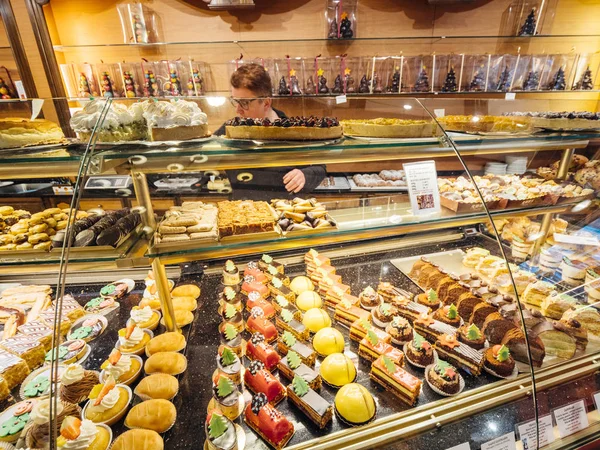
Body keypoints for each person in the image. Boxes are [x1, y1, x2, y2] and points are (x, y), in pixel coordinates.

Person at [214, 64, 326, 200]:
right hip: (242, 211)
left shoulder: (293, 130)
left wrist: (305, 175)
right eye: (235, 101)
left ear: (266, 103)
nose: (238, 110)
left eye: (244, 103)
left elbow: (320, 167)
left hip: (282, 212)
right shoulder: (230, 129)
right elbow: (205, 154)